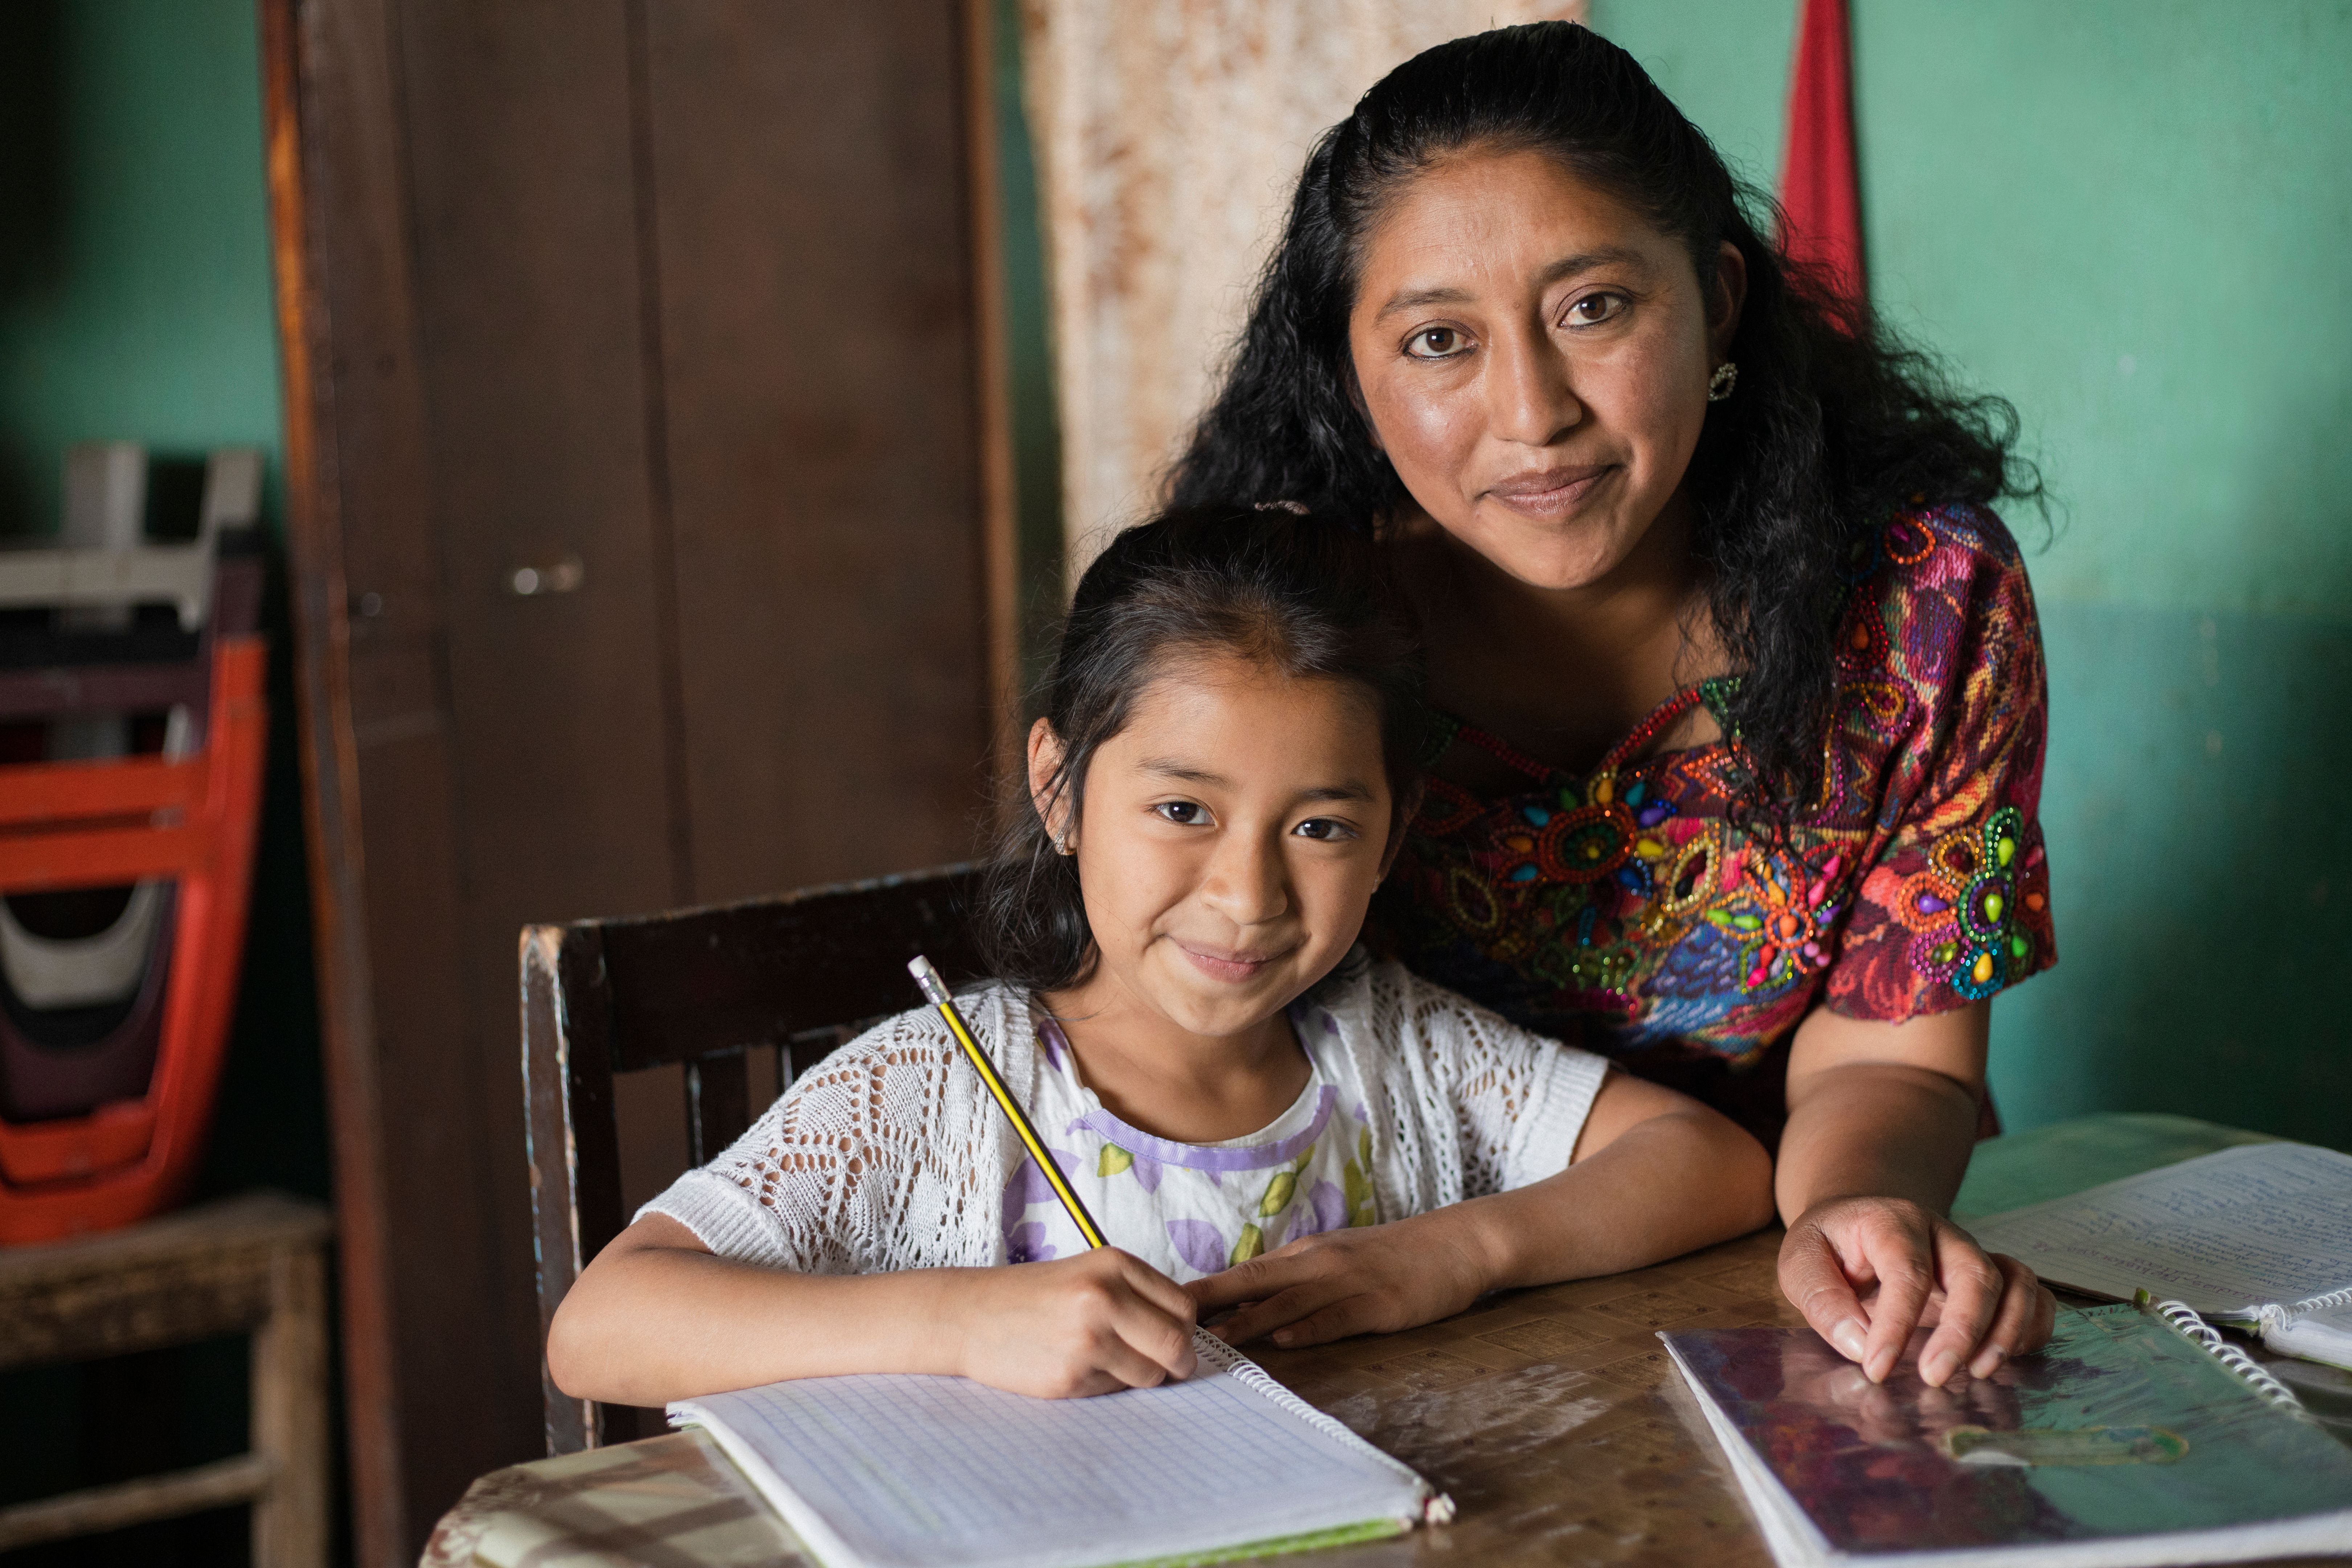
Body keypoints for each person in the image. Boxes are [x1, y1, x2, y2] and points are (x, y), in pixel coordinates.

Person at [1168, 21, 2058, 1390]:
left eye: (1594, 309)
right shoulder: (1281, 634)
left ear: (1714, 301)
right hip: (1366, 1307)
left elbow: (1895, 1050)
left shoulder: (1925, 607)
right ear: (1351, 371)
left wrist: (1850, 1216)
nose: (1532, 414)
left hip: (1772, 1298)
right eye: (1438, 341)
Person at [546, 505, 1771, 1405]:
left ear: (1395, 833)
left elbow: (1712, 1163)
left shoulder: (1395, 1047)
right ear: (1060, 788)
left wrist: (1455, 1253)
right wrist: (962, 1322)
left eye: (1322, 826)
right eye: (1183, 810)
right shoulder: (946, 1091)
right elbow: (602, 1326)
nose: (1246, 893)